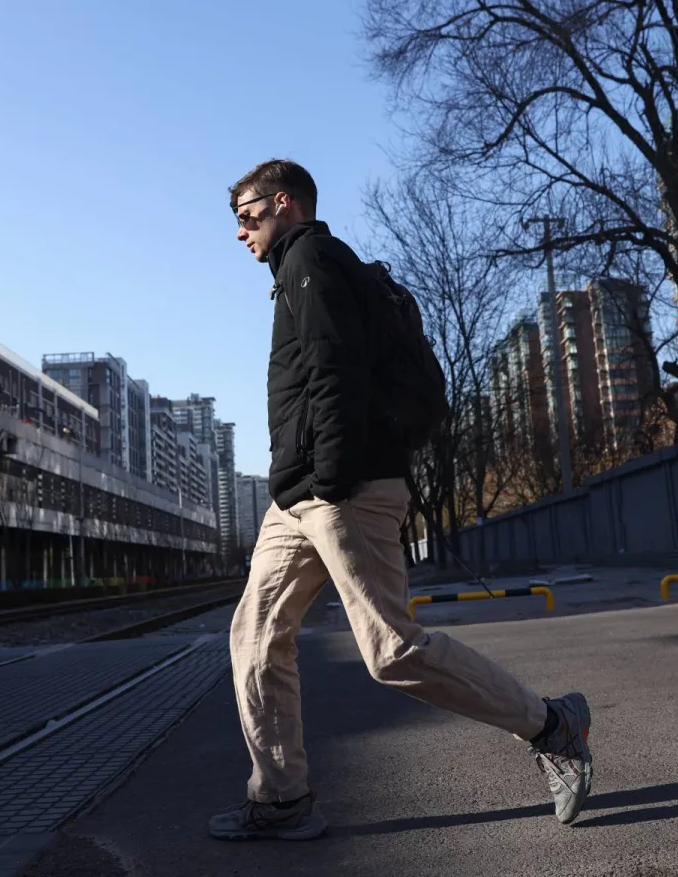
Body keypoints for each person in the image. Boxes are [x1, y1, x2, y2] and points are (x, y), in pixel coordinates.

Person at [210, 159, 592, 841]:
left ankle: (552, 724)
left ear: (283, 202)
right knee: (255, 637)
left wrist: (331, 476)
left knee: (391, 650)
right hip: (300, 495)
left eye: (246, 216)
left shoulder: (313, 259)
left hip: (340, 487)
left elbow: (334, 371)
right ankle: (282, 798)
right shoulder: (302, 269)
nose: (241, 232)